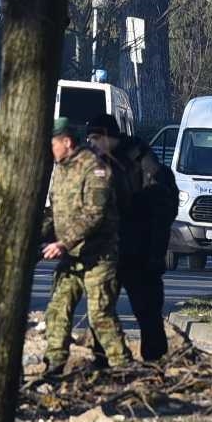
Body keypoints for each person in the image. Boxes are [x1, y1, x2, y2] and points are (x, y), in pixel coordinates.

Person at [42, 118, 132, 376]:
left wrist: (64, 241)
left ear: (66, 142)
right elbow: (56, 213)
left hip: (98, 256)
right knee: (57, 309)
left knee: (100, 314)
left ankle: (123, 368)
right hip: (71, 256)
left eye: (53, 144)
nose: (51, 150)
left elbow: (94, 213)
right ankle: (55, 364)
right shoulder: (60, 169)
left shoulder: (95, 168)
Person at [86, 114, 178, 363]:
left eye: (95, 138)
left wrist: (155, 252)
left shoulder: (143, 160)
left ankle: (155, 363)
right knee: (101, 309)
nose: (92, 144)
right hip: (110, 252)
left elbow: (162, 206)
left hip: (141, 251)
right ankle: (101, 361)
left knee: (147, 312)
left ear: (107, 136)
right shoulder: (97, 163)